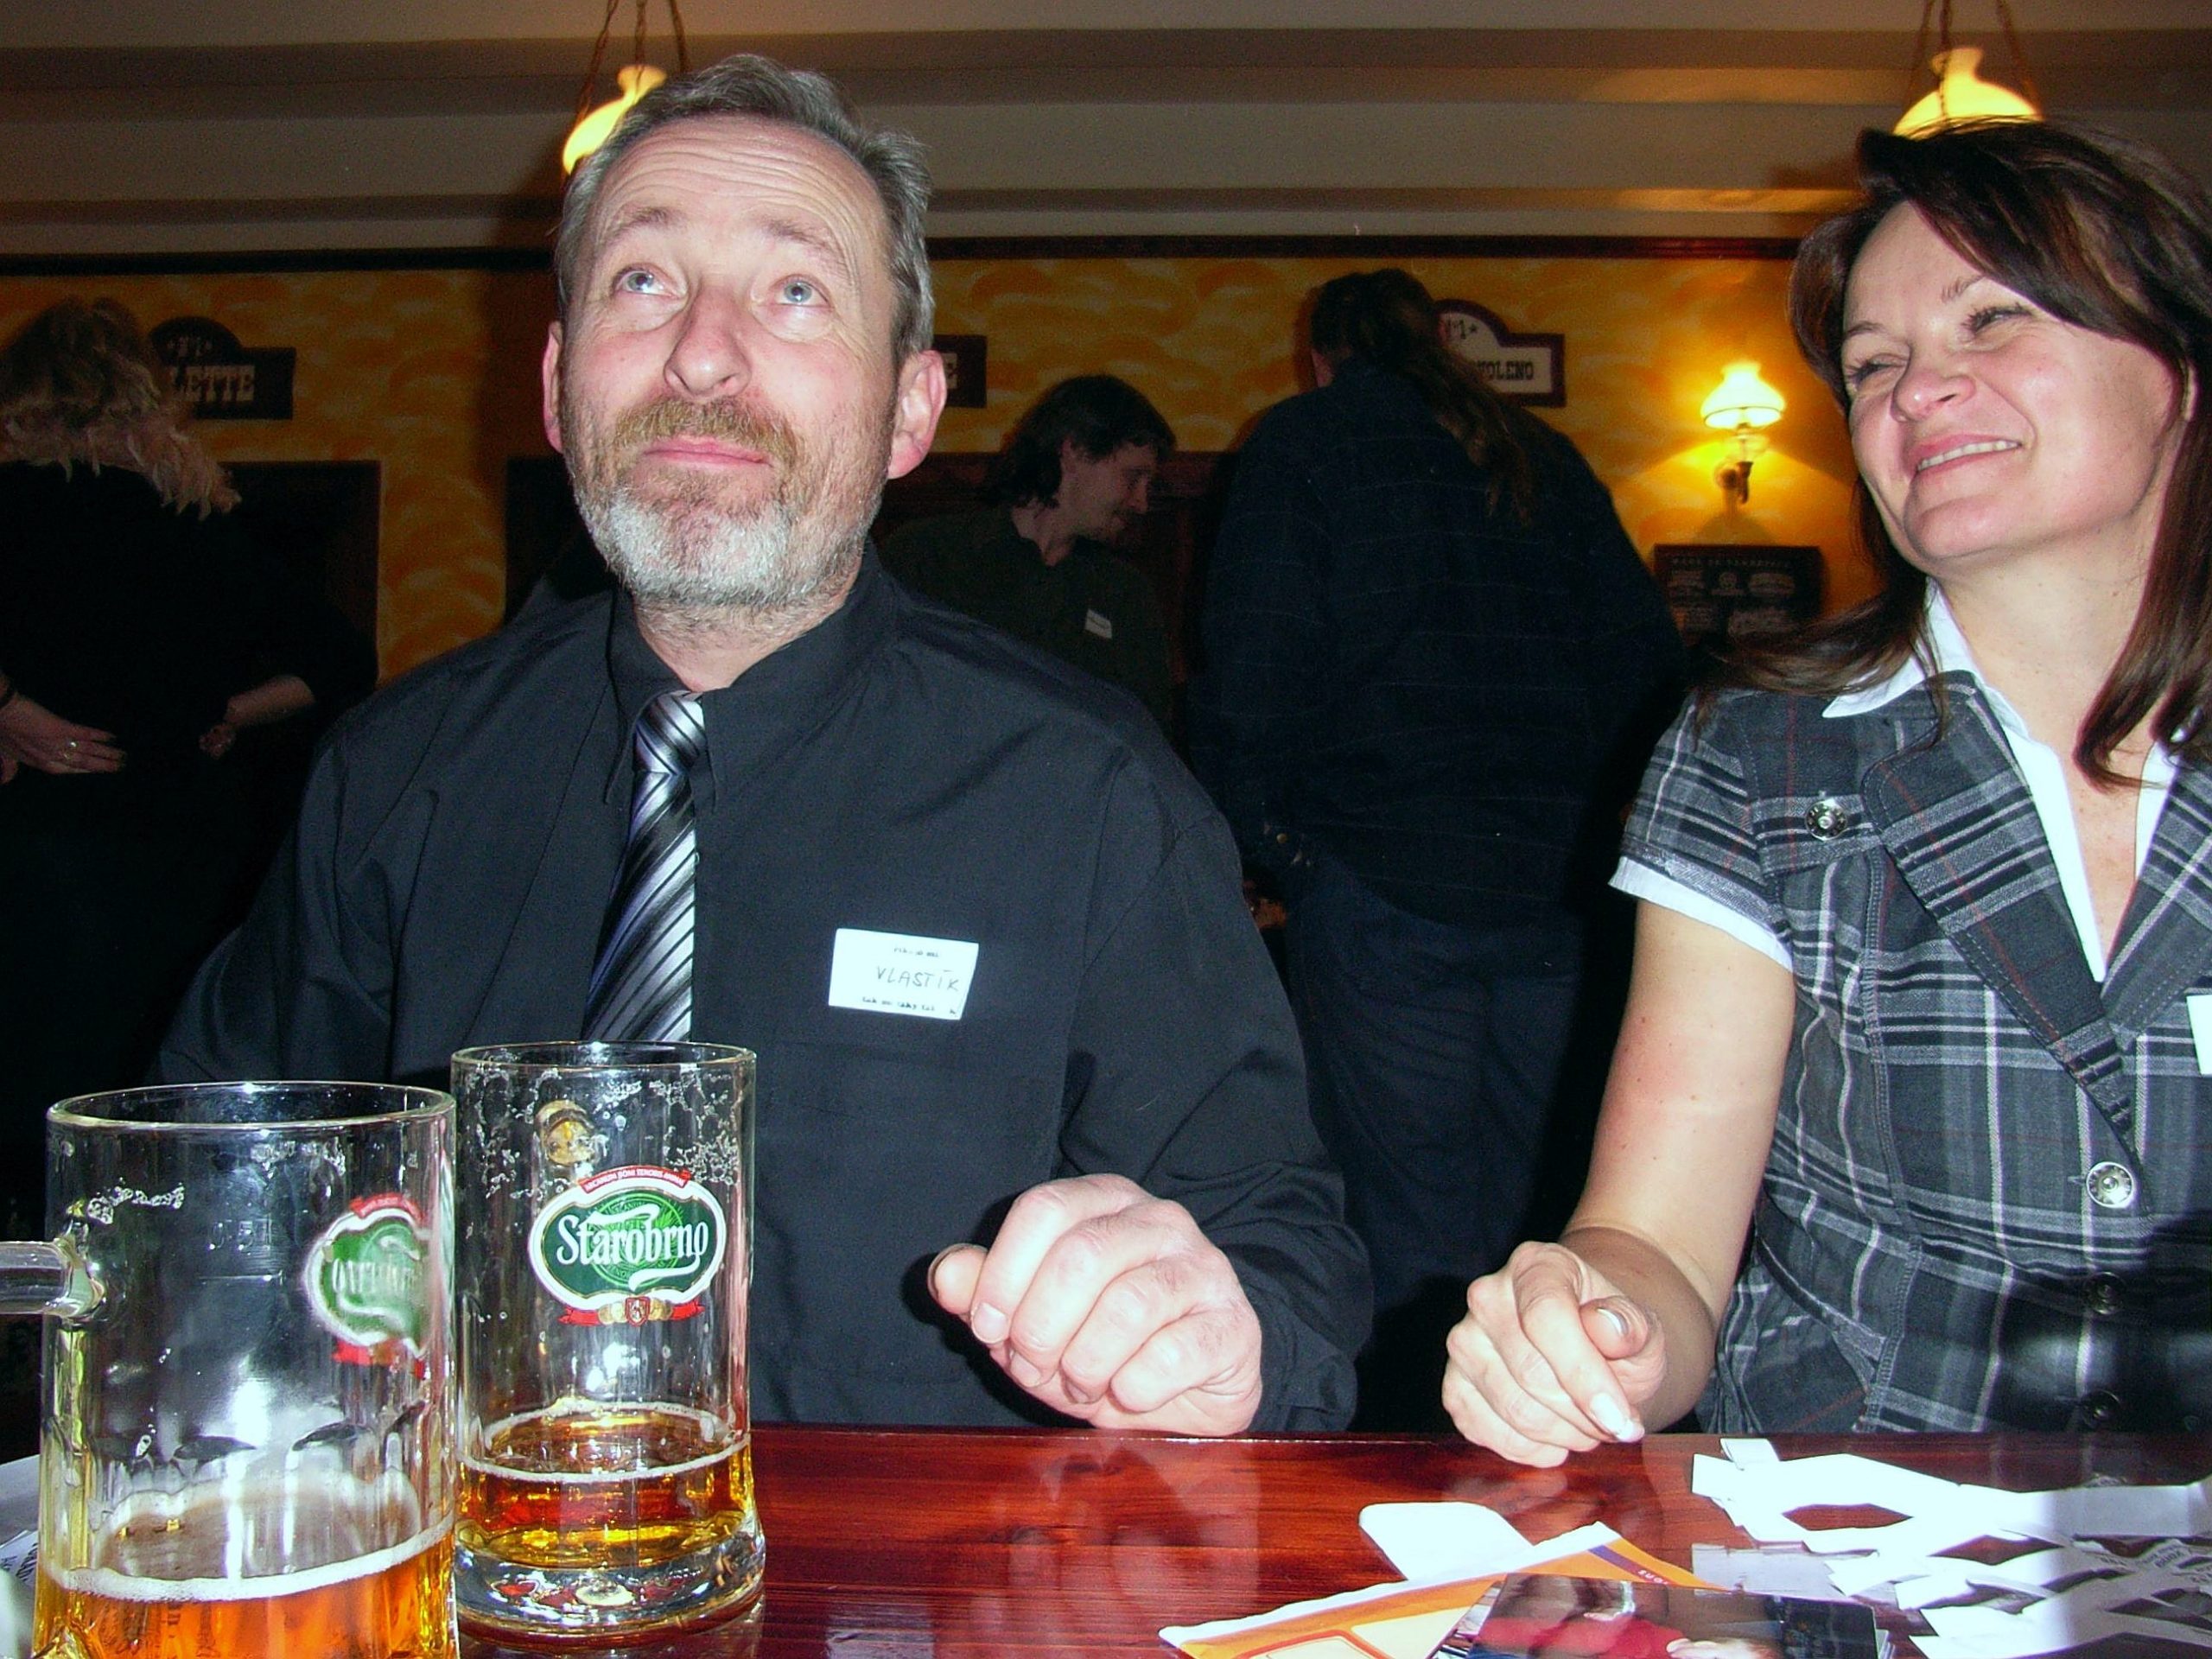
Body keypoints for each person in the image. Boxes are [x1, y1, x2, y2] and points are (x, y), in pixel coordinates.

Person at [158, 55, 1368, 1435]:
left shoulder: (1094, 797)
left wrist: (1214, 1339)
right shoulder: (392, 777)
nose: (703, 353)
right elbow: (214, 1176)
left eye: (794, 292)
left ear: (911, 410)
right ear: (556, 386)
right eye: (643, 281)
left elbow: (1285, 1269)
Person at [1443, 118, 2212, 1463]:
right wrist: (1600, 1327)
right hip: (1867, 1524)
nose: (1918, 390)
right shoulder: (1761, 754)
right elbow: (1658, 1240)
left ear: (2182, 374)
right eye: (1874, 364)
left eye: (1991, 319)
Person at [1190, 268, 1683, 1427]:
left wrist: (1278, 851)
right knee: (1541, 1216)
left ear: (1323, 355)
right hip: (1555, 893)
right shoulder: (1538, 454)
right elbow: (1649, 671)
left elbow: (1248, 667)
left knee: (1405, 1224)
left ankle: (1420, 1477)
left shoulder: (1305, 443)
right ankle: (1528, 1468)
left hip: (1382, 884)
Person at [0, 297, 370, 1232]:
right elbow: (338, 660)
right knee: (143, 1106)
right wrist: (227, 713)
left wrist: (11, 710)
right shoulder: (197, 524)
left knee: (30, 1097)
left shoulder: (12, 505)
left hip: (35, 847)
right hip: (180, 855)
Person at [882, 373, 1175, 728]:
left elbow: (1149, 732)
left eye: (1147, 484)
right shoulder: (930, 556)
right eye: (1132, 478)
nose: (1141, 502)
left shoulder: (1124, 594)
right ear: (1074, 452)